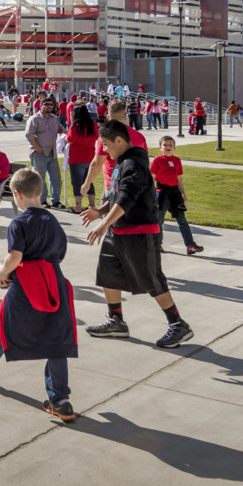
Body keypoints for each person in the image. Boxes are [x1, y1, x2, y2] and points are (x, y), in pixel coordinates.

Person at [0, 167, 76, 421]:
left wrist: (3, 271)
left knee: (10, 326)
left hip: (28, 281)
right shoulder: (53, 219)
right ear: (39, 192)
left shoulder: (19, 222)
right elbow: (60, 252)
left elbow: (15, 256)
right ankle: (60, 400)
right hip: (54, 279)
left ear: (16, 194)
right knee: (56, 339)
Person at [81, 121, 194, 349]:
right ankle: (116, 321)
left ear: (119, 140)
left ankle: (178, 324)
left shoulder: (134, 163)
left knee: (152, 279)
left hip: (139, 232)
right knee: (107, 273)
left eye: (106, 144)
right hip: (119, 229)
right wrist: (100, 211)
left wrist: (103, 224)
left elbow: (127, 198)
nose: (104, 149)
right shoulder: (121, 161)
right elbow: (115, 195)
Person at [83, 100, 147, 205]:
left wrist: (86, 184)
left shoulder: (105, 137)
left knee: (109, 220)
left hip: (113, 188)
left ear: (108, 117)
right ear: (126, 117)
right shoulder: (139, 136)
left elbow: (96, 164)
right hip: (135, 189)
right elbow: (144, 163)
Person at [151, 136, 203, 256]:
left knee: (182, 220)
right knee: (159, 220)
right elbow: (152, 178)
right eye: (165, 145)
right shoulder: (157, 160)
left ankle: (190, 245)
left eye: (170, 145)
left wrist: (183, 194)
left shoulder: (177, 160)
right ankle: (157, 244)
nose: (168, 147)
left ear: (174, 147)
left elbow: (179, 178)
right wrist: (150, 195)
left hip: (175, 193)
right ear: (160, 148)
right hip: (161, 192)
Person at [24, 97, 63, 208]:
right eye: (46, 104)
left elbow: (60, 128)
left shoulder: (55, 118)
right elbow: (28, 135)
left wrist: (66, 133)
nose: (49, 106)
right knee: (40, 178)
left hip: (52, 152)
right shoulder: (34, 119)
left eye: (51, 104)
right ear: (41, 106)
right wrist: (38, 148)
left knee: (56, 178)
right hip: (39, 153)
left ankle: (56, 201)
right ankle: (42, 200)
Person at [64, 103, 97, 214]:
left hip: (77, 157)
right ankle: (92, 205)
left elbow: (70, 139)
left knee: (77, 182)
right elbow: (97, 136)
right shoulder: (93, 124)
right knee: (89, 182)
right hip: (90, 156)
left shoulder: (75, 126)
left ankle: (78, 206)